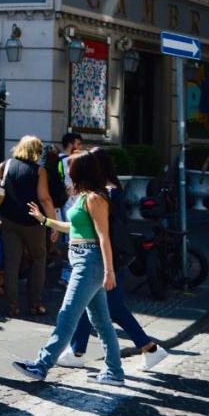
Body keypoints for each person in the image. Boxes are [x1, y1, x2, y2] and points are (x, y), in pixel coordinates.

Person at [12, 151, 124, 385]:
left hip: (90, 263)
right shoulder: (84, 197)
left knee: (67, 316)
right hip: (84, 261)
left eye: (70, 167)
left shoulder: (95, 198)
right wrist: (44, 220)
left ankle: (41, 366)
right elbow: (71, 227)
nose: (67, 171)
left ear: (81, 170)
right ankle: (114, 372)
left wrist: (109, 271)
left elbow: (104, 238)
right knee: (101, 322)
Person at [59, 149, 168, 372]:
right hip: (106, 258)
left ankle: (149, 349)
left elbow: (104, 233)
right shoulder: (108, 190)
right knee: (92, 305)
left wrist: (108, 268)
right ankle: (78, 350)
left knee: (111, 308)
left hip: (106, 258)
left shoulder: (104, 193)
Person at [0, 136, 56, 317]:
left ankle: (12, 306)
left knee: (11, 263)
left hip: (7, 220)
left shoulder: (7, 165)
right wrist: (53, 223)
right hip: (32, 222)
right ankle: (35, 304)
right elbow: (44, 199)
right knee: (38, 259)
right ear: (36, 152)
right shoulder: (39, 171)